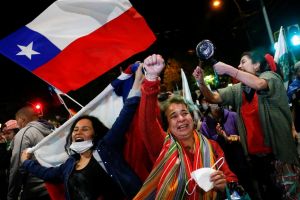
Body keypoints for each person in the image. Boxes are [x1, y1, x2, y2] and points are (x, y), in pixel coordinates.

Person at [20, 64, 144, 200]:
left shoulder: (107, 148)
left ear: (95, 133)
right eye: (75, 129)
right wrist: (26, 162)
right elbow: (47, 174)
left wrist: (137, 80)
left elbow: (124, 116)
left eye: (85, 129)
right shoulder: (69, 165)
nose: (78, 132)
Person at [193, 50, 300, 199]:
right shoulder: (238, 90)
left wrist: (229, 69)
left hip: (279, 156)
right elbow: (213, 98)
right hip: (255, 159)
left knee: (290, 196)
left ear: (256, 65)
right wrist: (201, 82)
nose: (239, 65)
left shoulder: (271, 78)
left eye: (243, 61)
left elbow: (259, 83)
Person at [134, 54, 240, 200]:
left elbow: (231, 179)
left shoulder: (212, 147)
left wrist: (225, 184)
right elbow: (147, 123)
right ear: (168, 125)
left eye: (184, 113)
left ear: (192, 117)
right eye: (174, 116)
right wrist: (151, 79)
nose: (181, 119)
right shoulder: (163, 147)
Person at [7, 106, 54, 200]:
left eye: (17, 121)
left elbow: (17, 167)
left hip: (34, 190)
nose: (17, 125)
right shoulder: (52, 130)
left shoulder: (24, 133)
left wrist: (11, 195)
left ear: (22, 119)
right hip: (54, 187)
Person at [0, 120, 19, 200]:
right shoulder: (9, 144)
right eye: (4, 133)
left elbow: (4, 162)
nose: (6, 136)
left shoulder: (17, 144)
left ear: (16, 132)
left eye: (8, 133)